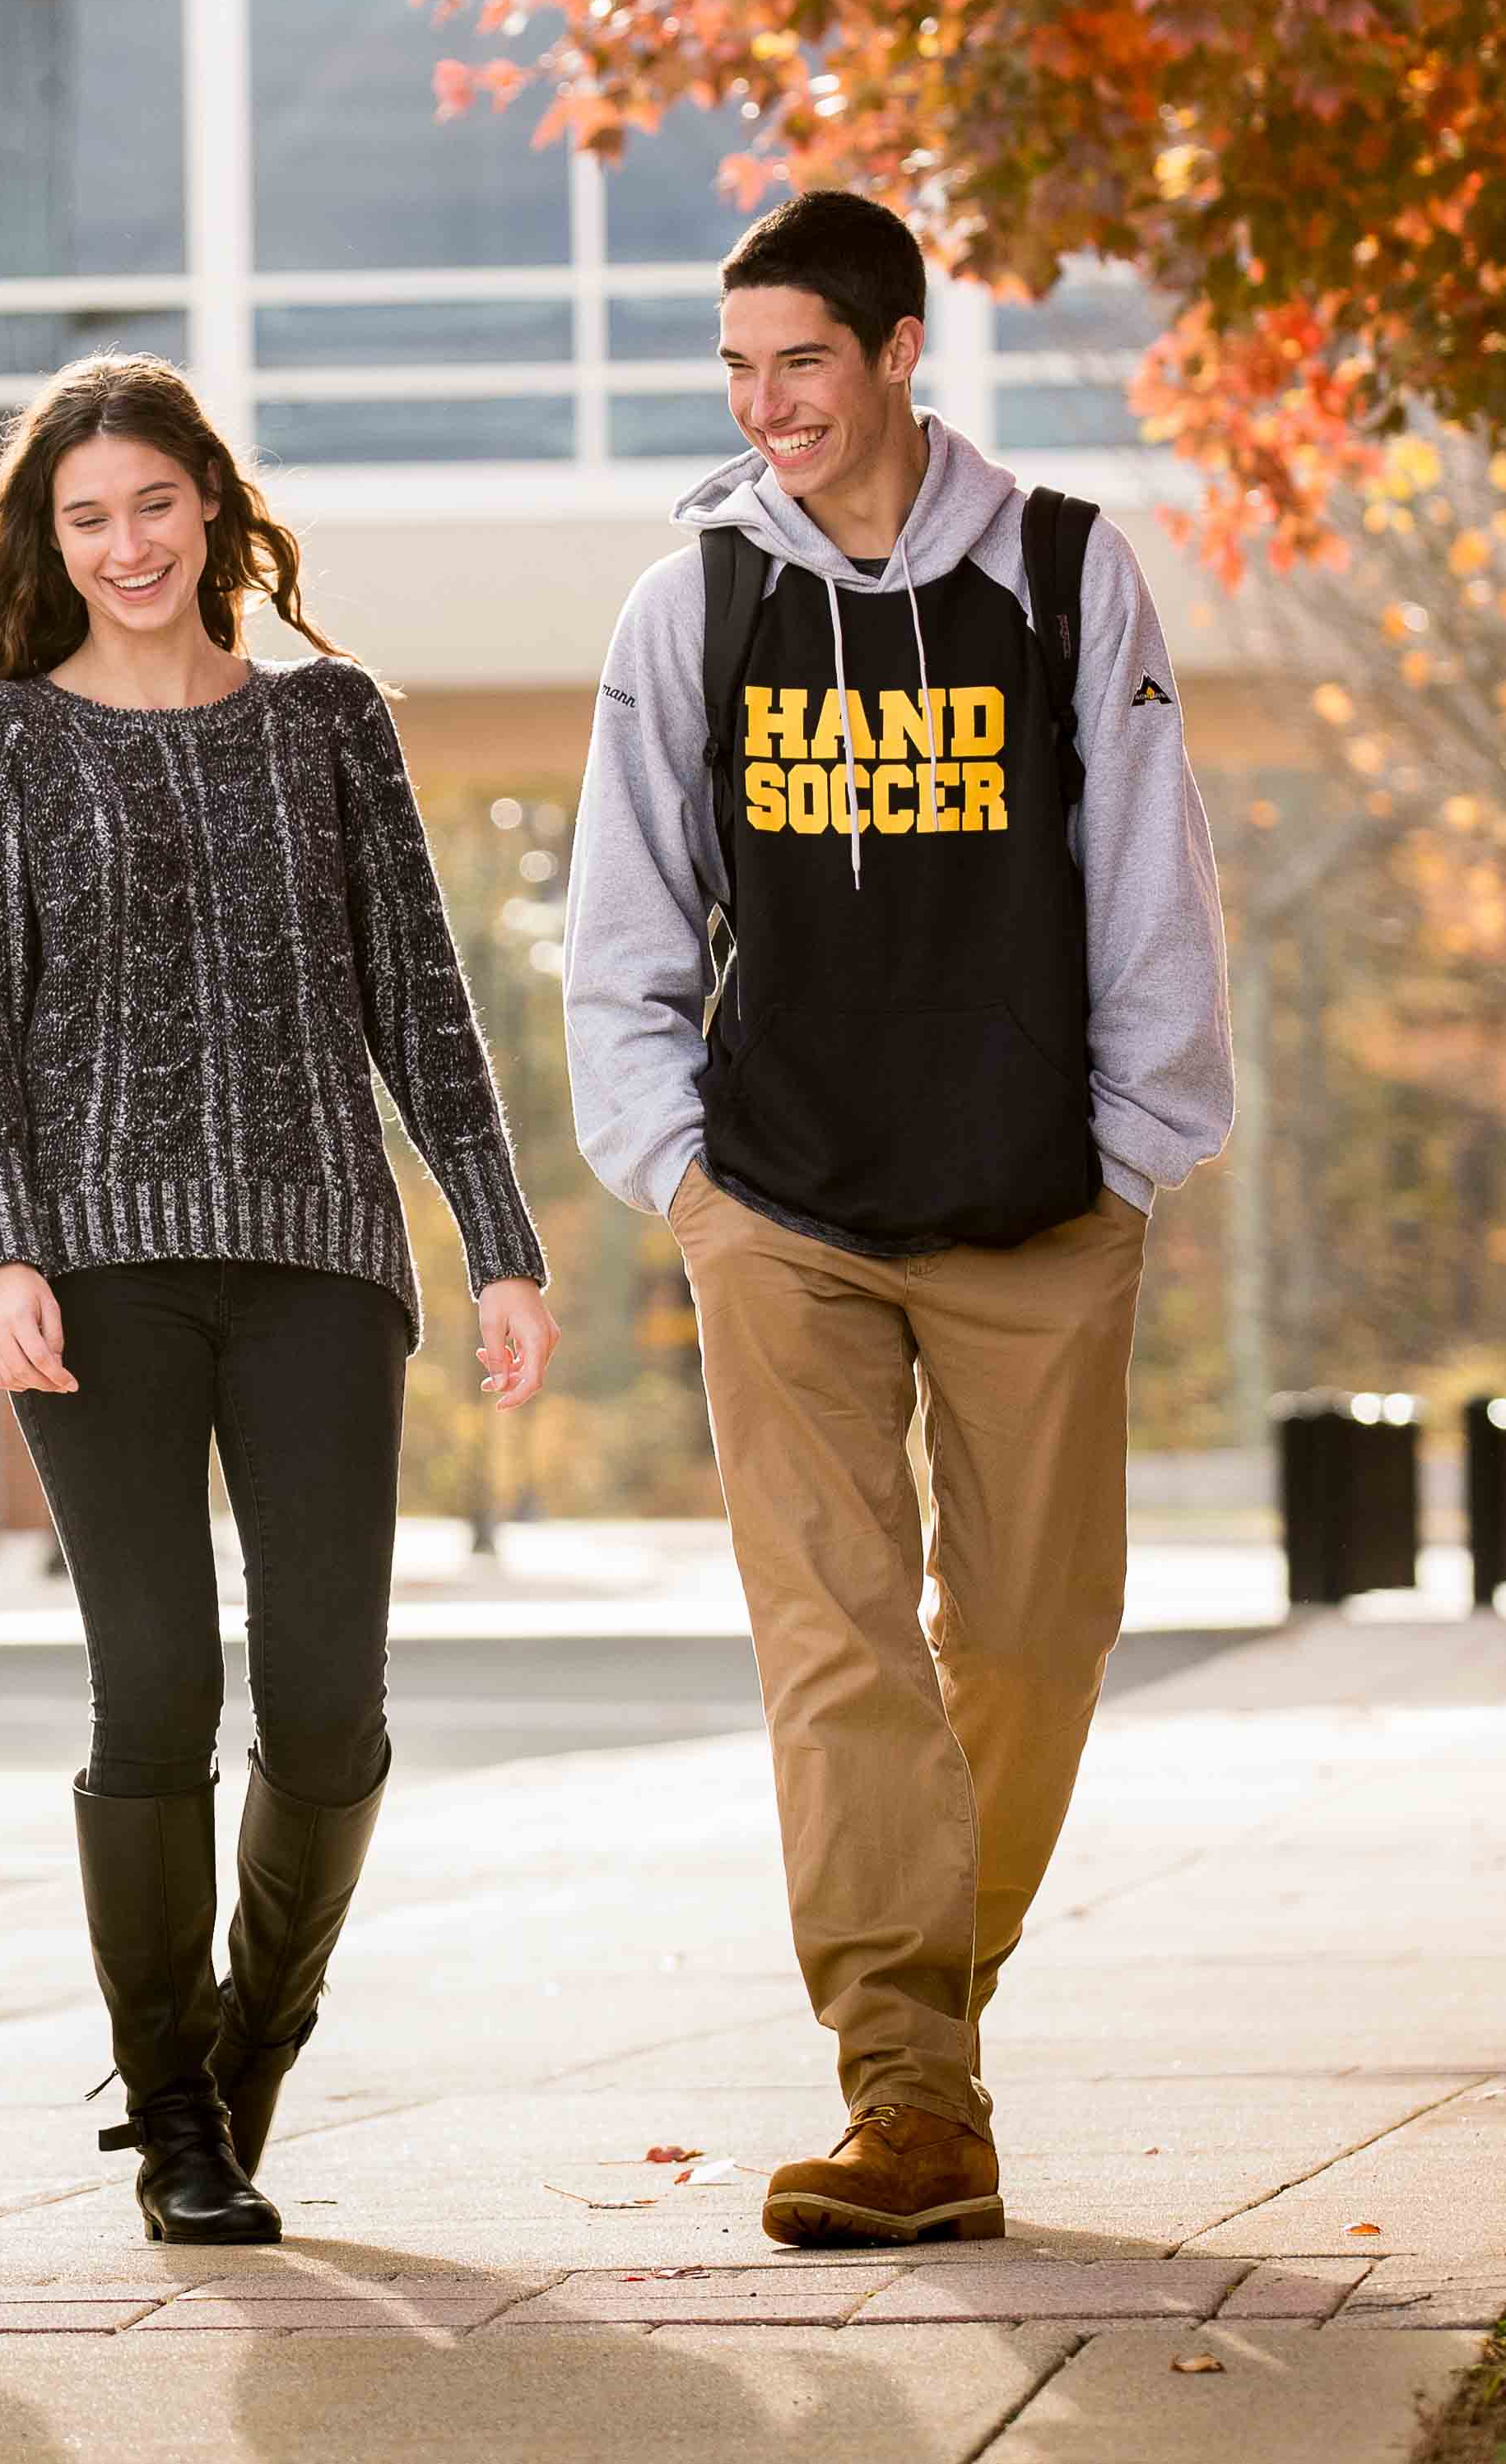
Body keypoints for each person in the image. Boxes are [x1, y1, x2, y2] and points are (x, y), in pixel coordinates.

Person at [565, 188, 1232, 2250]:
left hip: (1038, 1206)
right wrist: (676, 1169)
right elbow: (628, 914)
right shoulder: (698, 604)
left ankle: (928, 2000)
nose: (772, 406)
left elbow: (1148, 876)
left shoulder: (1057, 572)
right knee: (837, 1647)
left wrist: (1132, 1149)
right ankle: (909, 2088)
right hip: (787, 1211)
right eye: (742, 369)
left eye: (807, 364)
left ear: (897, 353)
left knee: (1029, 1648)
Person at [0, 355, 558, 2245]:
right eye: (84, 518)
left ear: (214, 506)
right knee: (159, 1678)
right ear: (48, 537)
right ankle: (172, 2106)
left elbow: (421, 996)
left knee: (330, 1699)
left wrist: (495, 1238)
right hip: (95, 1275)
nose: (123, 547)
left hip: (320, 1262)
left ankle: (251, 2042)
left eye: (152, 506)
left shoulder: (328, 724)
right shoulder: (10, 742)